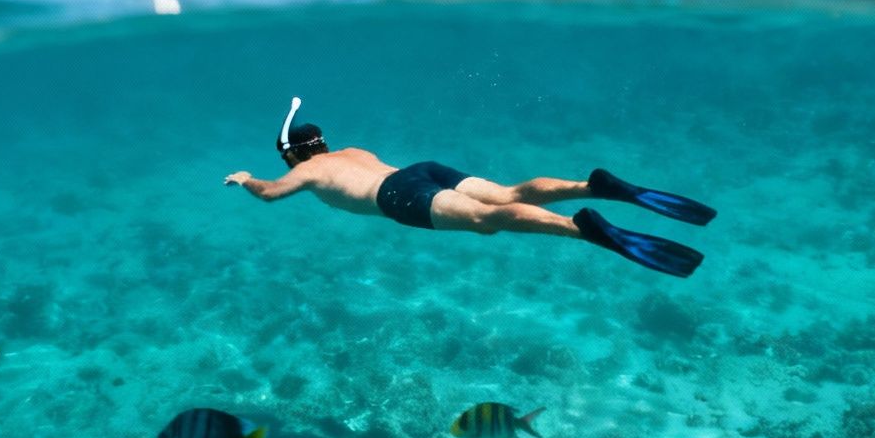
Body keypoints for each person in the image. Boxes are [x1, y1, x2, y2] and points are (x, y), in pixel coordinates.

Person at [222, 98, 714, 277]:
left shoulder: (307, 170)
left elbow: (269, 193)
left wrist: (246, 179)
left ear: (293, 153)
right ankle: (590, 186)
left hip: (398, 198)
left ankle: (580, 230)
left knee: (485, 221)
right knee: (507, 194)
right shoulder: (353, 151)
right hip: (421, 170)